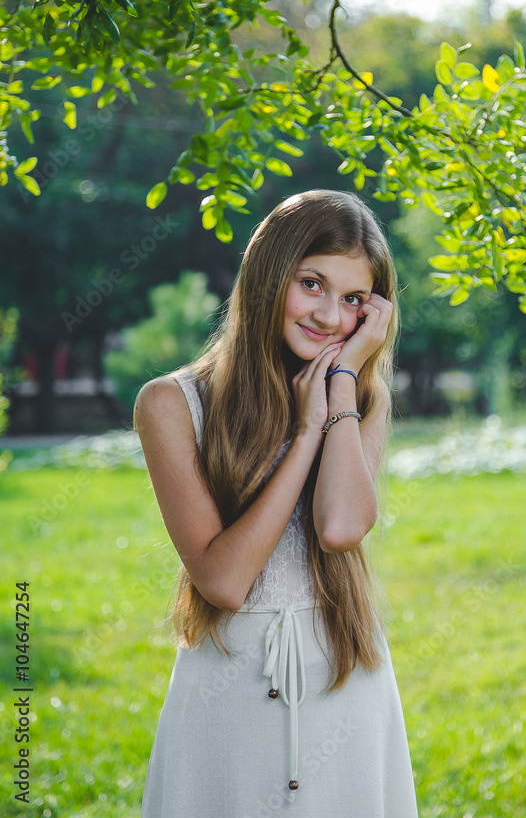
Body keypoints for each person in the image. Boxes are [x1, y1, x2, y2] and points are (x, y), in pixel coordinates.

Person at [133, 188, 419, 817]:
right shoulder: (172, 404)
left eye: (352, 300)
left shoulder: (358, 399)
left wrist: (340, 392)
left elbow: (342, 527)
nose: (328, 316)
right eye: (311, 283)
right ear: (268, 274)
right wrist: (302, 434)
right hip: (225, 685)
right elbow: (225, 581)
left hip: (344, 676)